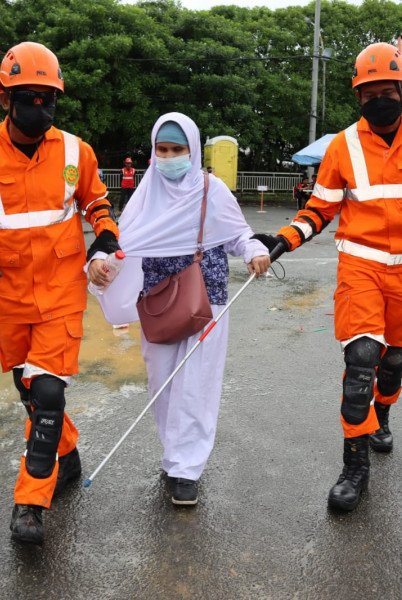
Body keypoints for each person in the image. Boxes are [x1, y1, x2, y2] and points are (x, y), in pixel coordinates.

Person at [251, 41, 402, 512]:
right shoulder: (342, 145)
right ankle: (355, 466)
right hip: (361, 266)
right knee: (361, 360)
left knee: (394, 360)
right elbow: (319, 209)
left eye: (385, 90)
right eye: (368, 94)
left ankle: (383, 415)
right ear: (358, 97)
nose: (377, 101)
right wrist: (284, 239)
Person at [0, 41, 120, 545]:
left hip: (62, 289)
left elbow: (97, 203)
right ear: (5, 98)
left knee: (47, 390)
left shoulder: (75, 151)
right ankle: (67, 452)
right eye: (28, 98)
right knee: (29, 391)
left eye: (48, 98)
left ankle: (30, 504)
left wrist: (105, 236)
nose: (39, 108)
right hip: (8, 294)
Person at [96, 113, 270, 507]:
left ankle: (186, 469)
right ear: (153, 151)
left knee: (196, 385)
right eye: (163, 150)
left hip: (206, 300)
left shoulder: (212, 190)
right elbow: (125, 244)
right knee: (162, 384)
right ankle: (174, 452)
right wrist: (104, 267)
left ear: (192, 151)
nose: (170, 157)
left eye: (178, 150)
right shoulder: (145, 193)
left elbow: (237, 234)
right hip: (156, 301)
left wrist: (255, 250)